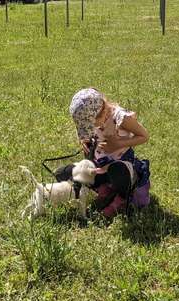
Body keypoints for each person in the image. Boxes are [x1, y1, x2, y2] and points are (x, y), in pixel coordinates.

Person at [58, 87, 151, 217]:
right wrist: (84, 142)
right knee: (63, 173)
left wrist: (117, 144)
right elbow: (87, 134)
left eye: (90, 125)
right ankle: (104, 188)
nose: (90, 129)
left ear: (102, 112)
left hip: (121, 164)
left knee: (118, 171)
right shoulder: (92, 116)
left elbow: (144, 136)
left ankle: (122, 197)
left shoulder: (120, 118)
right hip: (99, 165)